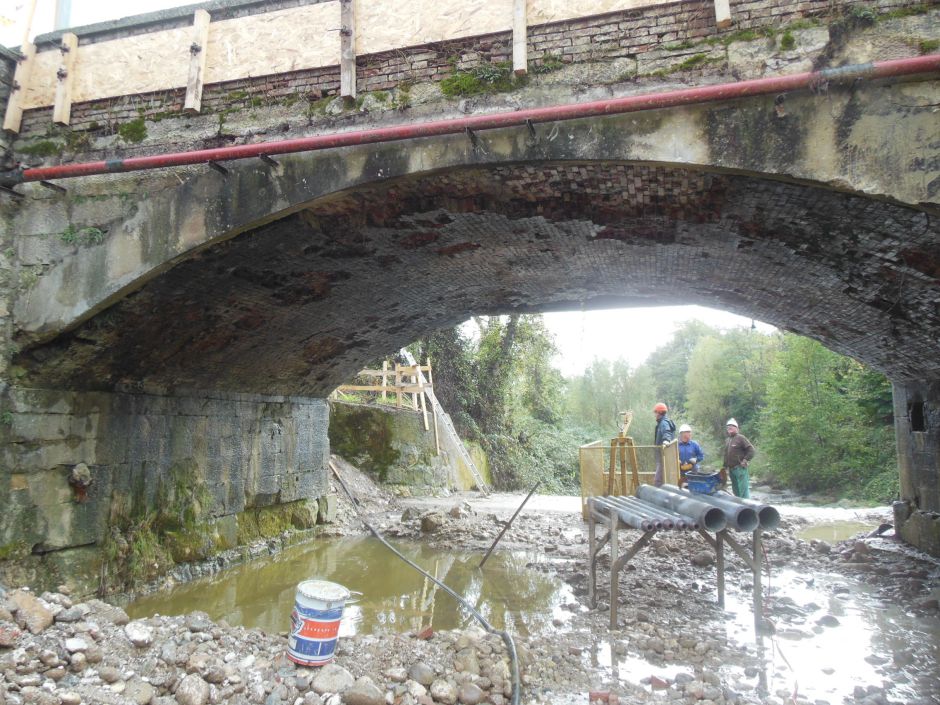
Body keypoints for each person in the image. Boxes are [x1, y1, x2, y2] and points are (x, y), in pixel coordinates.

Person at [721, 418, 755, 498]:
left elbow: (751, 450)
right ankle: (739, 508)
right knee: (735, 491)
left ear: (736, 428)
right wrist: (724, 467)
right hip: (731, 469)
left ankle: (747, 507)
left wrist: (745, 460)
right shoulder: (727, 440)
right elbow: (726, 454)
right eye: (728, 427)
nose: (729, 428)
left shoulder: (741, 438)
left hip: (740, 468)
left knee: (743, 491)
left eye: (732, 426)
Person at [652, 402, 675, 486]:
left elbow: (667, 432)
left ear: (659, 412)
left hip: (663, 456)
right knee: (663, 479)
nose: (654, 415)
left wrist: (666, 440)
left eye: (655, 412)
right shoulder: (662, 422)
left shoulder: (664, 423)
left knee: (658, 480)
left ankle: (657, 497)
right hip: (663, 457)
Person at [677, 424, 704, 488]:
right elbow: (671, 457)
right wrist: (676, 461)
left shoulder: (694, 444)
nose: (688, 435)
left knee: (693, 488)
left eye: (689, 433)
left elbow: (701, 456)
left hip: (693, 471)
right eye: (685, 434)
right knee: (682, 488)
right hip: (680, 472)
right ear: (681, 434)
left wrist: (696, 459)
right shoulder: (676, 445)